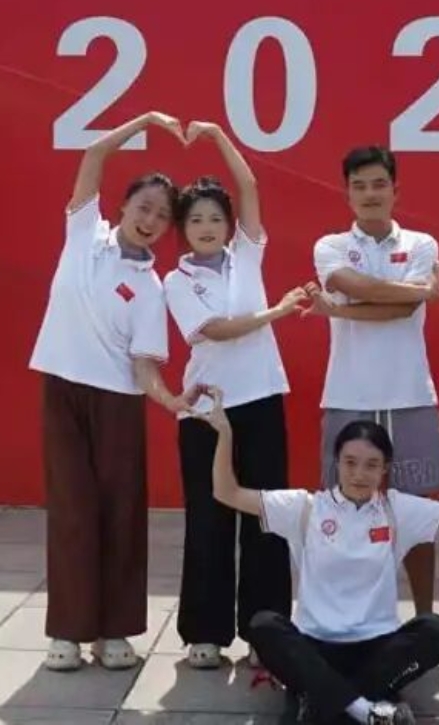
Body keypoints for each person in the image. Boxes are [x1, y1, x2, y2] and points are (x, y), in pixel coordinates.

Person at [200, 391, 439, 725]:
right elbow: (226, 492)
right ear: (337, 463)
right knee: (263, 625)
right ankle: (365, 709)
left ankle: (320, 702)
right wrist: (224, 433)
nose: (359, 474)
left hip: (376, 648)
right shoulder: (304, 507)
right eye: (350, 462)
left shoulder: (396, 509)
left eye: (371, 465)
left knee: (434, 630)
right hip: (316, 646)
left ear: (385, 468)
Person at [28, 110, 210, 673]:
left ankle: (115, 633)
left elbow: (143, 364)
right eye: (143, 207)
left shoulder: (151, 288)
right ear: (124, 206)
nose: (150, 220)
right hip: (63, 391)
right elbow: (94, 156)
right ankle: (67, 632)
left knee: (121, 515)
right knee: (72, 512)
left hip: (118, 404)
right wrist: (145, 120)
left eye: (162, 215)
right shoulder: (85, 234)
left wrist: (169, 399)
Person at [162, 120, 312, 669]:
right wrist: (278, 311)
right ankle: (204, 633)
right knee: (209, 520)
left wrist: (217, 135)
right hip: (207, 411)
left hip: (263, 400)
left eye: (215, 218)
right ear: (182, 229)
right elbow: (217, 330)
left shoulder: (248, 254)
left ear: (230, 226)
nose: (206, 227)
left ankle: (264, 634)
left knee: (266, 518)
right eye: (195, 220)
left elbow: (248, 185)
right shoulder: (176, 281)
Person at [306, 146, 439, 624]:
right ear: (347, 193)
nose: (370, 194)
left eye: (379, 184)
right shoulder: (329, 246)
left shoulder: (422, 243)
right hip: (348, 397)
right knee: (340, 514)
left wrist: (341, 310)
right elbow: (360, 287)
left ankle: (425, 619)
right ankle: (341, 618)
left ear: (395, 190)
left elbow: (403, 309)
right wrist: (416, 291)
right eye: (359, 186)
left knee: (418, 515)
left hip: (411, 396)